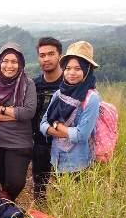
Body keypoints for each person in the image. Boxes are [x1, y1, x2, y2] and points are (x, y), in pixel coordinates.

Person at [0, 43, 37, 200]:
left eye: (14, 61)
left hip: (20, 143)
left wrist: (1, 109)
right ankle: (2, 209)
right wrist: (15, 114)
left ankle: (6, 203)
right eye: (6, 61)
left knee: (16, 183)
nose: (9, 65)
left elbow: (28, 112)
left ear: (21, 64)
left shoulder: (28, 84)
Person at [40, 41, 101, 173]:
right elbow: (43, 124)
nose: (71, 73)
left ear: (87, 69)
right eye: (67, 68)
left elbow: (81, 135)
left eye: (77, 69)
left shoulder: (91, 98)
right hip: (57, 159)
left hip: (79, 164)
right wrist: (66, 131)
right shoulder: (59, 93)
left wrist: (57, 126)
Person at [32, 37, 63, 200]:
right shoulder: (34, 85)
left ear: (60, 55)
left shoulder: (70, 83)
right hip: (40, 143)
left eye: (51, 54)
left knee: (64, 188)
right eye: (42, 55)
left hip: (65, 144)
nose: (46, 58)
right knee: (39, 187)